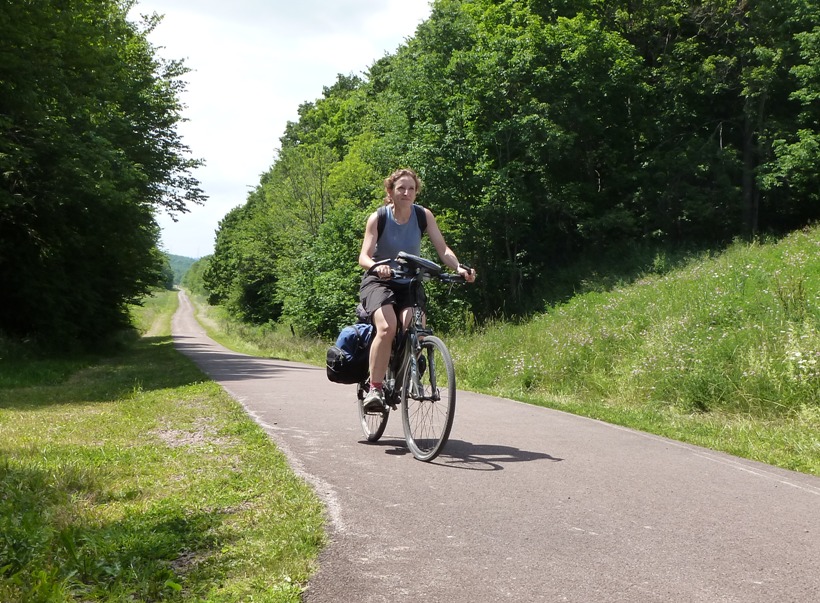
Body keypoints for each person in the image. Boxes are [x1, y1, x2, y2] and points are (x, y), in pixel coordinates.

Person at [358, 168, 476, 412]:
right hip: (379, 281)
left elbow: (443, 250)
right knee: (387, 326)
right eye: (401, 188)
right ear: (390, 191)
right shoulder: (378, 217)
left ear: (416, 192)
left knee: (417, 327)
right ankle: (375, 389)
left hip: (409, 281)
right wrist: (377, 267)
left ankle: (408, 370)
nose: (406, 193)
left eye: (411, 188)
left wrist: (459, 268)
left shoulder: (423, 215)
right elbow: (364, 257)